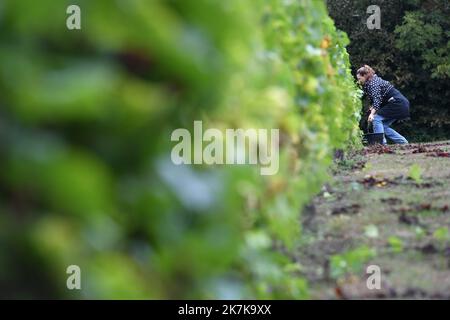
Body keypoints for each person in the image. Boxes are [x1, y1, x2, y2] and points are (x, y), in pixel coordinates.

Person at [356, 65, 410, 144]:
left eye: (359, 78)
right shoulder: (371, 82)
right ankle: (403, 142)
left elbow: (377, 100)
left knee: (376, 119)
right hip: (400, 104)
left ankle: (381, 144)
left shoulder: (373, 83)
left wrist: (372, 114)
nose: (358, 81)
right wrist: (371, 109)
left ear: (364, 76)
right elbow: (377, 99)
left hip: (398, 103)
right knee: (383, 126)